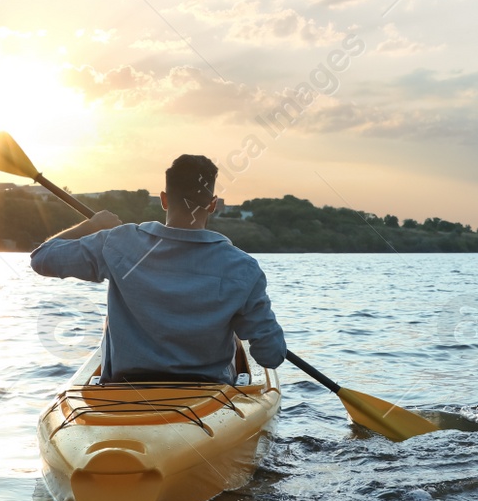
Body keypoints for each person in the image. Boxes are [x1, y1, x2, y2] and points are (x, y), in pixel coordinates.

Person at [29, 154, 287, 384]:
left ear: (164, 200)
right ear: (213, 204)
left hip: (123, 392)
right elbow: (271, 355)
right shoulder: (243, 267)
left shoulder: (118, 242)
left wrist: (91, 226)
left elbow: (41, 258)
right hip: (206, 397)